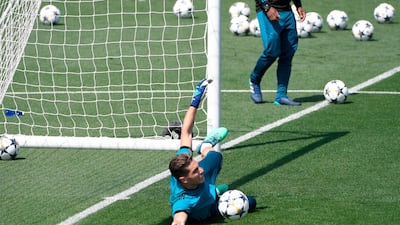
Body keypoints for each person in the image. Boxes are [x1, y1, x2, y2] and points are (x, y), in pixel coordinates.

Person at [168, 78, 256, 225]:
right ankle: (216, 192)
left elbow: (186, 132)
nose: (200, 170)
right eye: (195, 170)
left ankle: (205, 145)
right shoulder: (183, 202)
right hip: (209, 209)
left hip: (203, 184)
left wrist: (196, 99)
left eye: (197, 165)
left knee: (215, 156)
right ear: (184, 180)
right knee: (250, 203)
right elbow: (178, 220)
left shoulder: (189, 166)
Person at [249, 0, 306, 106]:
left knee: (288, 54)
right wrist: (267, 7)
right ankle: (254, 79)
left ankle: (281, 95)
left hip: (287, 11)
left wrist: (298, 5)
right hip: (268, 10)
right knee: (272, 51)